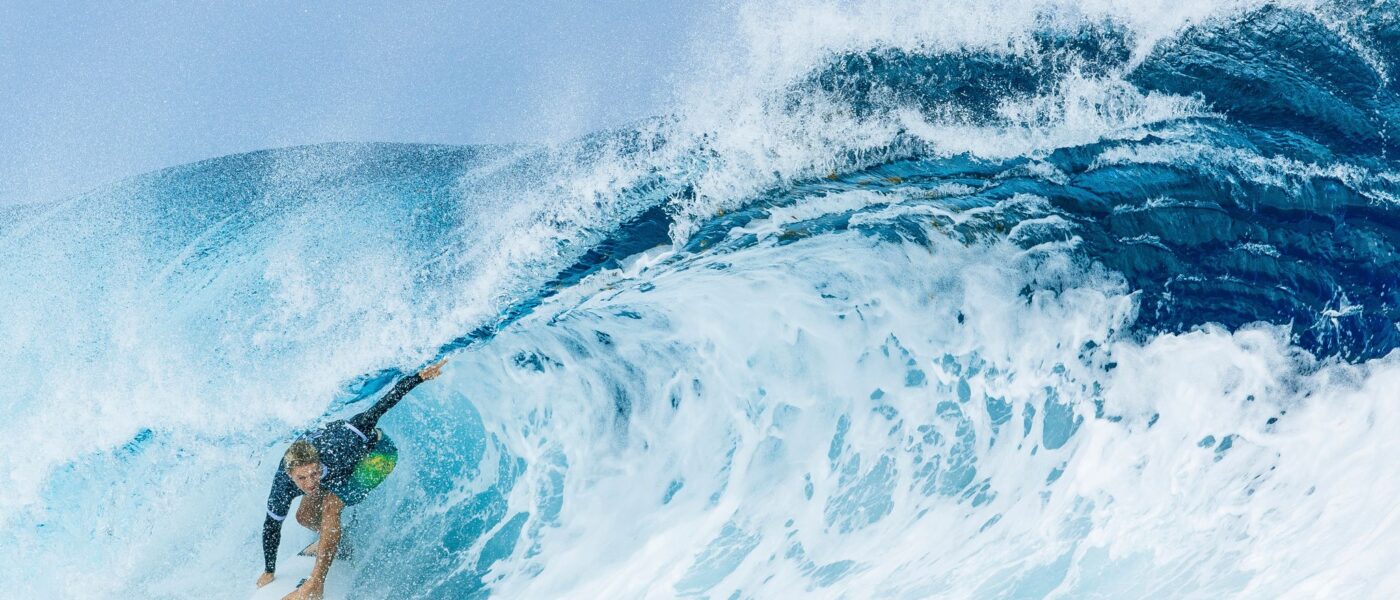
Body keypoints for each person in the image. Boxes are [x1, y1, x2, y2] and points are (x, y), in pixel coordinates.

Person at [255, 359, 447, 599]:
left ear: (319, 460)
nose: (310, 482)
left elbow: (380, 406)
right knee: (303, 516)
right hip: (340, 470)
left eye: (314, 473)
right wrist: (269, 570)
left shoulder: (341, 442)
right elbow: (271, 528)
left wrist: (418, 378)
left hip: (377, 456)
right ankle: (340, 542)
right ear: (290, 474)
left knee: (331, 505)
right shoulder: (282, 484)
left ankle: (315, 585)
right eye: (301, 478)